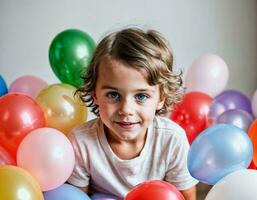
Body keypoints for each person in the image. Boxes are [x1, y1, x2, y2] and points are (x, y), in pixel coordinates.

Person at [67, 27, 198, 200]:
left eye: (141, 96)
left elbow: (186, 197)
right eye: (113, 95)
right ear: (95, 94)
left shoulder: (172, 140)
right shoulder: (81, 142)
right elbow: (75, 198)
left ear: (161, 98)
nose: (126, 110)